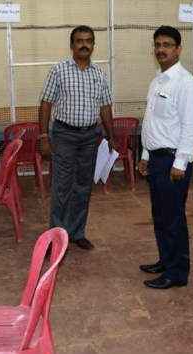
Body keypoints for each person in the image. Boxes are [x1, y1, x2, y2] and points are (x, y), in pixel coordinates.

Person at [39, 25, 116, 250]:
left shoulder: (99, 74)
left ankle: (76, 232)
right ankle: (55, 237)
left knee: (83, 186)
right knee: (62, 187)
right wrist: (44, 136)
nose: (84, 45)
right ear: (72, 45)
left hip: (90, 137)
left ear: (93, 45)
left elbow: (105, 107)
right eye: (79, 41)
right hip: (64, 135)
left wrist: (111, 136)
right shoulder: (59, 70)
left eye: (88, 41)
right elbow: (45, 104)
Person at [138, 25, 193, 289]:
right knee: (160, 215)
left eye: (167, 45)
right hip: (156, 158)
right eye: (157, 45)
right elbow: (151, 122)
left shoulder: (187, 83)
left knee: (173, 217)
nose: (161, 49)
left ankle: (177, 273)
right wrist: (145, 154)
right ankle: (166, 260)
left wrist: (180, 163)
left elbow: (189, 127)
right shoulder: (157, 81)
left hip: (172, 161)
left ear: (178, 49)